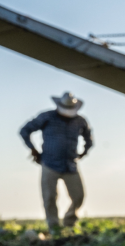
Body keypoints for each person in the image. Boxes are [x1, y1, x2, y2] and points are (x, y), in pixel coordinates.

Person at [20, 92, 93, 231]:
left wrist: (84, 151)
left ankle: (69, 223)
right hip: (49, 163)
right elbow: (25, 130)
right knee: (49, 197)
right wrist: (33, 149)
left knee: (79, 196)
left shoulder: (80, 121)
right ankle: (54, 228)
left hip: (70, 164)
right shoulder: (47, 117)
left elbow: (89, 138)